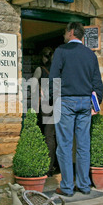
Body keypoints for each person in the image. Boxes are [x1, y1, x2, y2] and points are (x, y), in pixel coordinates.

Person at [49, 22, 103, 197]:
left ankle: (66, 187)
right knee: (83, 145)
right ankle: (84, 185)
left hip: (66, 101)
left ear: (71, 32)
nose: (64, 35)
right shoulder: (90, 55)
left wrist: (52, 99)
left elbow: (53, 78)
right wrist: (96, 102)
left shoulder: (61, 51)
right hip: (85, 102)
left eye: (65, 31)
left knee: (64, 145)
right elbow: (97, 82)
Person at [32, 47, 59, 176]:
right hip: (57, 106)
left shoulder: (40, 70)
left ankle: (46, 167)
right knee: (53, 137)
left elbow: (32, 88)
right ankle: (53, 166)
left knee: (45, 136)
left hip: (45, 107)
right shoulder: (59, 71)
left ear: (44, 57)